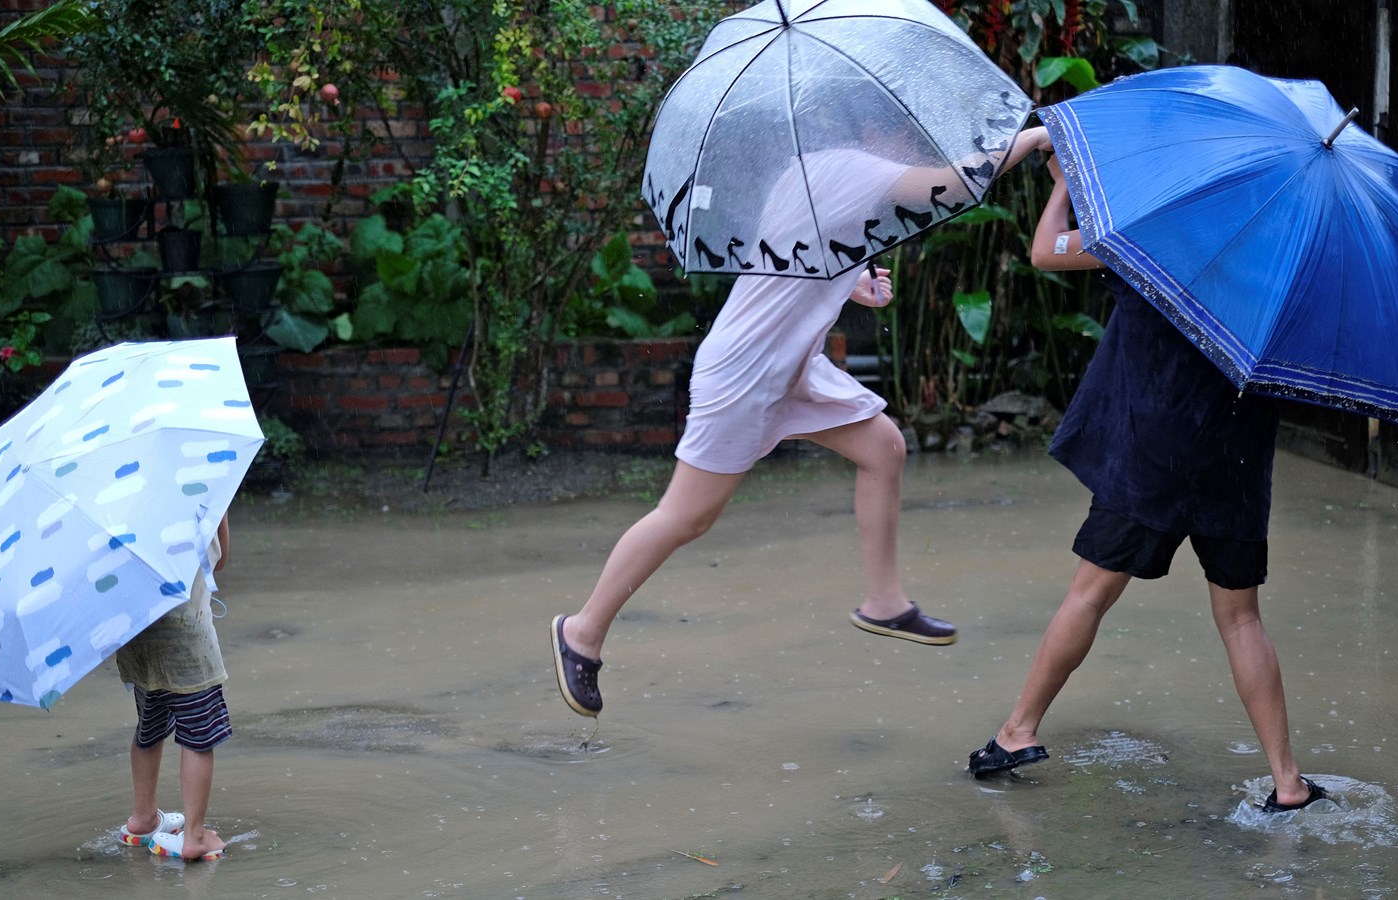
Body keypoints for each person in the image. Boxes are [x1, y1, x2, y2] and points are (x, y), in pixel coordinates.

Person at [551, 126, 1055, 718]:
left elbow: (792, 252)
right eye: (908, 136)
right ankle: (581, 632)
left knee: (884, 448)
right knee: (686, 516)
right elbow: (954, 183)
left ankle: (885, 602)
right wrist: (1037, 137)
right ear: (874, 128)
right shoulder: (858, 169)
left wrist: (853, 282)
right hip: (746, 371)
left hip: (789, 364)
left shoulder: (813, 167)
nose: (916, 145)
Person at [966, 150, 1327, 813]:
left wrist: (1065, 187)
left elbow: (1045, 252)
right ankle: (1287, 782)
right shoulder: (1277, 264)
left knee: (1088, 597)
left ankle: (1017, 732)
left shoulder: (1148, 240)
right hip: (1235, 463)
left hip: (1152, 456)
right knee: (1242, 619)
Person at [114, 513, 233, 859]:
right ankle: (194, 836)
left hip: (137, 634)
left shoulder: (120, 503)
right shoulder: (197, 495)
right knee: (198, 736)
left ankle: (143, 818)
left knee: (148, 726)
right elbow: (219, 559)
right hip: (187, 640)